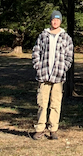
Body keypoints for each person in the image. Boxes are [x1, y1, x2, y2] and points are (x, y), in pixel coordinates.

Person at [31, 9, 74, 140]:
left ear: (61, 21)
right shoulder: (43, 35)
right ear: (50, 21)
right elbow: (36, 52)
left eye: (58, 19)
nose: (55, 22)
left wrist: (63, 69)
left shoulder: (66, 37)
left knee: (55, 103)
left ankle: (53, 129)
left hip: (58, 76)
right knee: (42, 103)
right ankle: (39, 129)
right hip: (44, 75)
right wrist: (38, 67)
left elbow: (69, 56)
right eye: (53, 19)